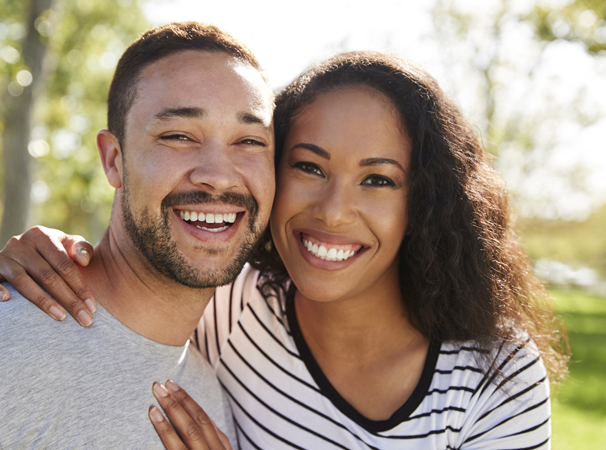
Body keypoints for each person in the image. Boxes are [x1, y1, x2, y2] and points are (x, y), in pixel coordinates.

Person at [0, 52, 567, 449]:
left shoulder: (496, 376)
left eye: (378, 180)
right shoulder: (232, 308)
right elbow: (148, 278)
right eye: (309, 167)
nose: (333, 210)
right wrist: (44, 253)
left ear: (424, 203)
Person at [0, 21, 278, 449]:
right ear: (113, 160)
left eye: (250, 141)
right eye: (179, 136)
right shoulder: (13, 344)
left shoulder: (214, 400)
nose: (219, 176)